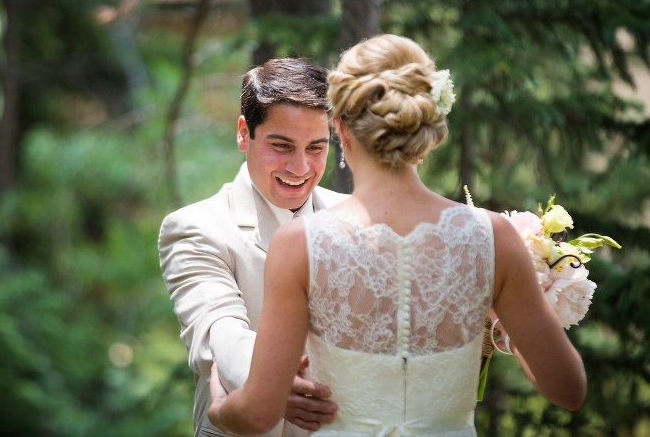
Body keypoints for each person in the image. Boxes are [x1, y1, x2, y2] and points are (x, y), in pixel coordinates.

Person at [206, 35, 587, 436]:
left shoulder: (301, 244)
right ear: (430, 124)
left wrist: (219, 406)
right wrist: (512, 324)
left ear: (340, 127)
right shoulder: (494, 237)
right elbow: (569, 389)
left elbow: (258, 415)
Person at [159, 58, 349, 437]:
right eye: (282, 146)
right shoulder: (196, 228)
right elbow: (217, 331)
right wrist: (272, 385)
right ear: (244, 133)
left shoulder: (358, 218)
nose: (300, 167)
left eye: (316, 147)